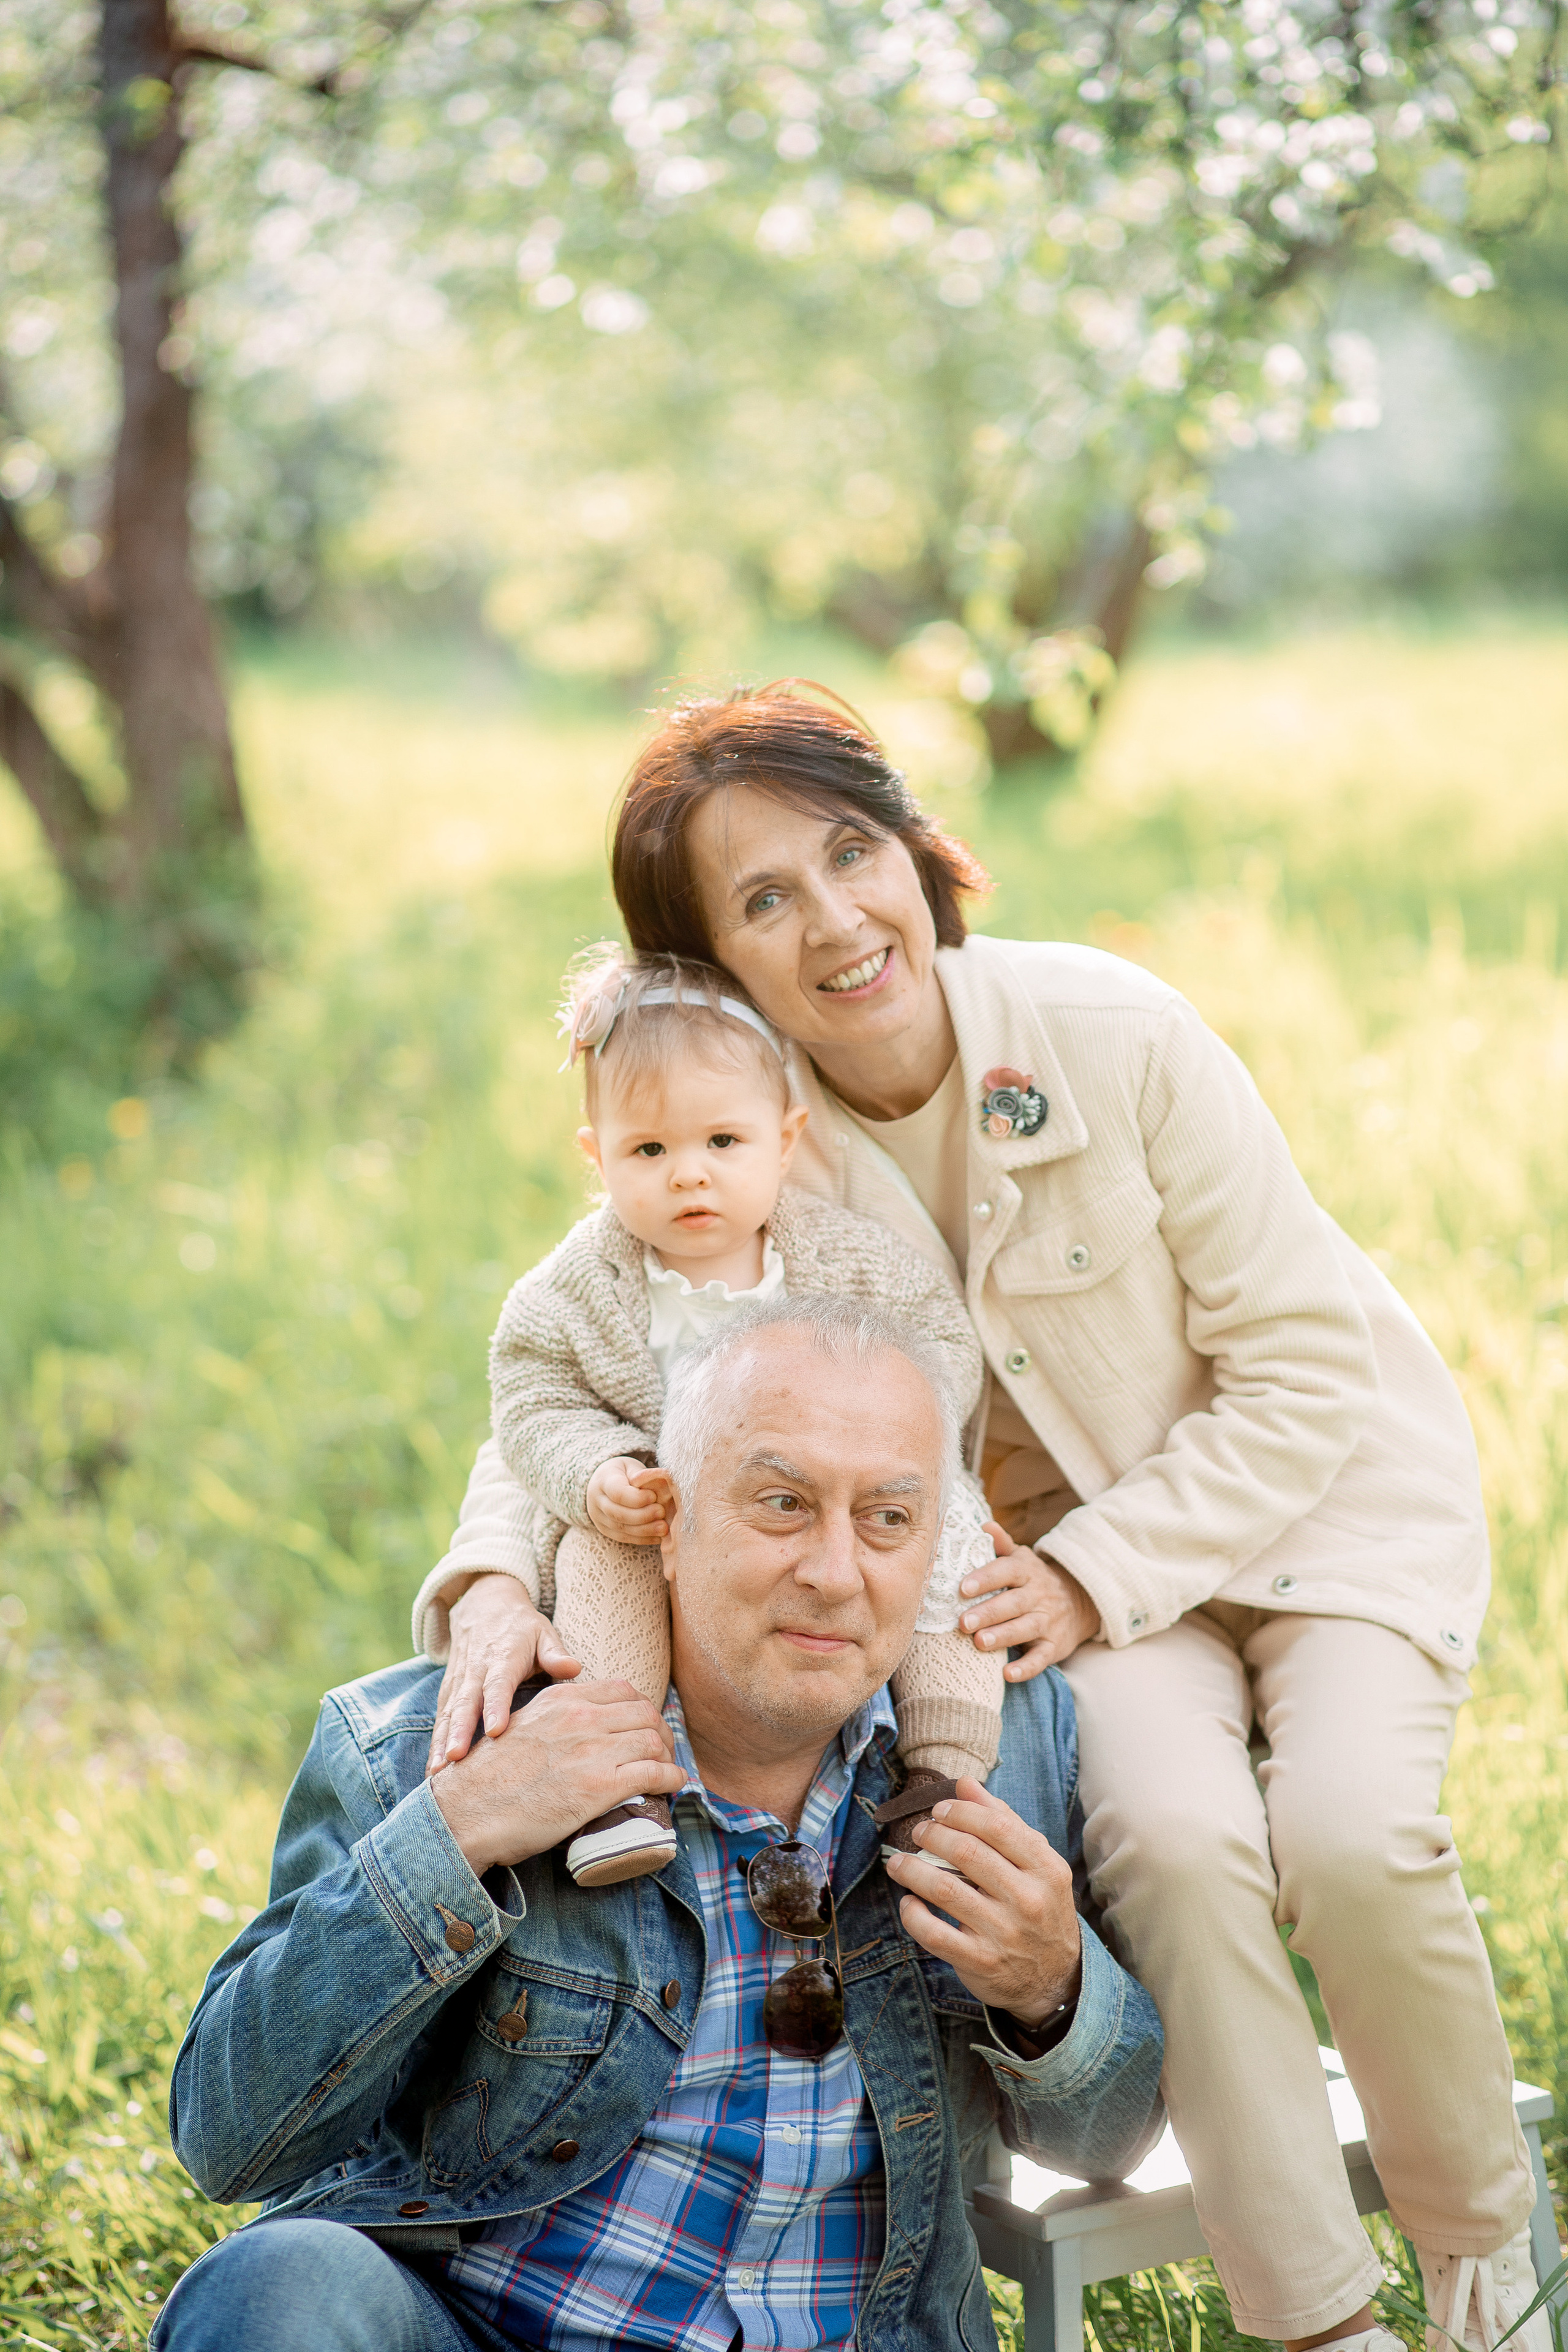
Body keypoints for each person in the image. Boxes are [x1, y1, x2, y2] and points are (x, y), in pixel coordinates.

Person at [424, 685, 1548, 2352]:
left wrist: (1093, 1573)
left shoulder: (1113, 1029)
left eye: (850, 853)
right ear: (702, 964)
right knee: (1172, 1845)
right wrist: (497, 1581)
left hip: (1318, 1518)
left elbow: (1308, 1368)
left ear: (916, 848)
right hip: (1060, 1591)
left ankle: (1487, 2271)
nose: (836, 920)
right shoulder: (753, 1138)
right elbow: (596, 1346)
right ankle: (1320, 2325)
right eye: (762, 900)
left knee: (1353, 1838)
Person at [156, 1299, 1164, 2352]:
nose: (834, 1572)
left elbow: (1109, 2142)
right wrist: (456, 1832)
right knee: (284, 2289)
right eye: (781, 1504)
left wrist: (1054, 1989)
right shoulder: (443, 1739)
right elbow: (230, 2139)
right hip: (481, 2329)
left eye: (888, 1520)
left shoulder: (999, 1753)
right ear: (667, 1525)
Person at [456, 942, 1004, 1889]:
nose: (690, 1177)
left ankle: (943, 1776)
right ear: (598, 1156)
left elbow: (938, 1342)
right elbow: (534, 1397)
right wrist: (595, 1474)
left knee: (948, 1534)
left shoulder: (847, 1261)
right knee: (600, 1554)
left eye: (723, 1143)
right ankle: (616, 1784)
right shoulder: (576, 1294)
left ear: (783, 1141)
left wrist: (897, 1427)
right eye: (650, 1151)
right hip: (668, 1514)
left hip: (827, 1490)